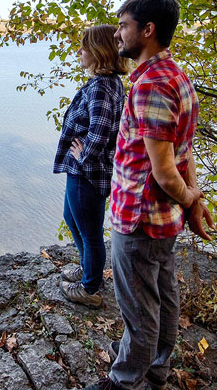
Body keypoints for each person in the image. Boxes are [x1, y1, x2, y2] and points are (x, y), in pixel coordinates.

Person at [87, 0, 213, 390]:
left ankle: (125, 381)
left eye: (123, 26)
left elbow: (163, 172)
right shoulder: (177, 77)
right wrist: (192, 201)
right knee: (163, 294)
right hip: (161, 219)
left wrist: (191, 198)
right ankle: (157, 368)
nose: (118, 34)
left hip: (139, 218)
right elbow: (184, 151)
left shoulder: (151, 87)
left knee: (139, 310)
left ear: (148, 30)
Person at [53, 24, 129, 307]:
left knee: (89, 230)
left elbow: (101, 129)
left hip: (87, 172)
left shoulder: (101, 86)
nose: (79, 52)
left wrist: (83, 155)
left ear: (98, 52)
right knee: (73, 219)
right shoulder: (106, 83)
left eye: (84, 47)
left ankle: (90, 288)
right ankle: (89, 270)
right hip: (83, 170)